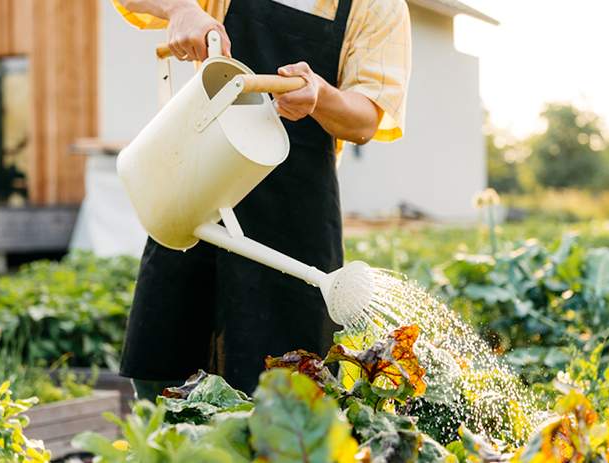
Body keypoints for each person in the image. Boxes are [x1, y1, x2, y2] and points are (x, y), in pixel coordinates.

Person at [114, 0, 411, 399]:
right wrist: (181, 8)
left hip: (294, 217)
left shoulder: (377, 7)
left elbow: (365, 119)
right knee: (161, 380)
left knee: (287, 396)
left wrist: (320, 96)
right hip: (197, 192)